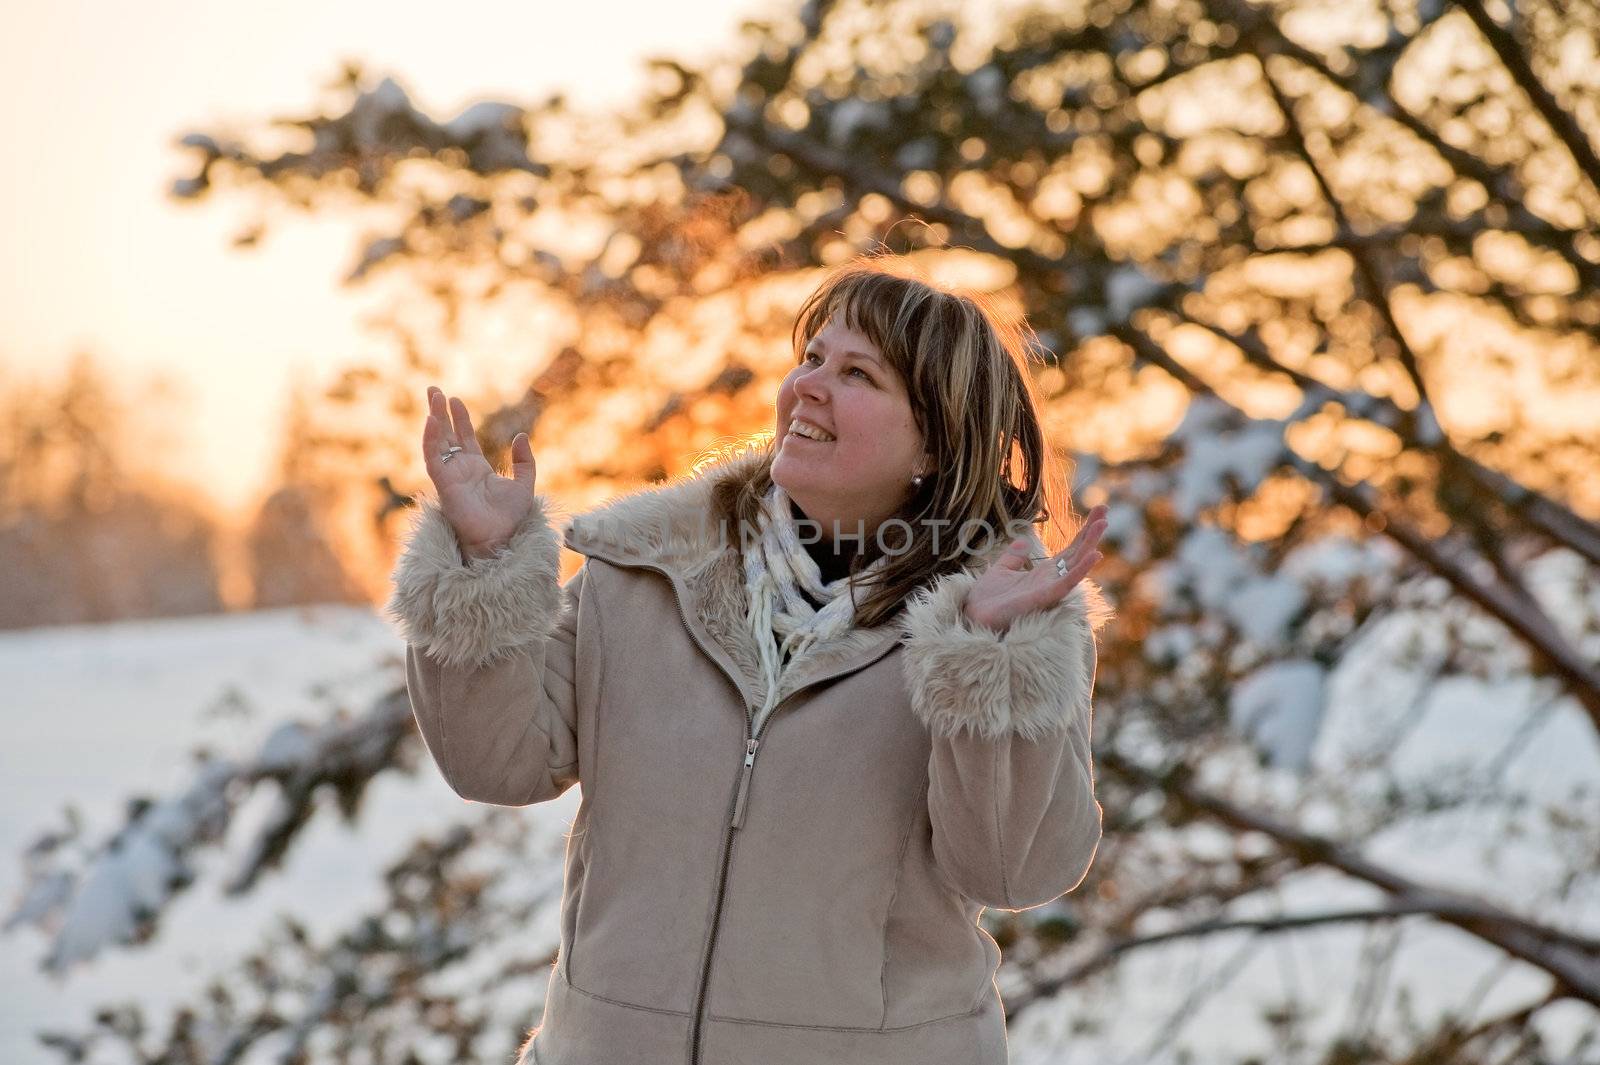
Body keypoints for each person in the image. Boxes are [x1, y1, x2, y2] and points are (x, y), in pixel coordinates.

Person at [384, 257, 1113, 1065]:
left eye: (858, 373)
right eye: (812, 358)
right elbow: (495, 762)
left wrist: (987, 659)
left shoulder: (1003, 620)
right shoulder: (645, 573)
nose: (810, 385)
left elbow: (1015, 869)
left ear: (935, 444)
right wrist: (484, 565)